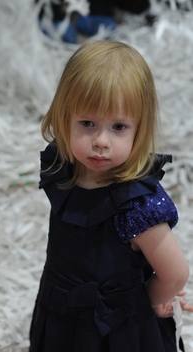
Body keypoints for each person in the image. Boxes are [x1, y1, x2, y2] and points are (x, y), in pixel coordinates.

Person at [29, 40, 190, 351]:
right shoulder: (64, 169)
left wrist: (150, 302)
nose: (100, 141)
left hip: (116, 331)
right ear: (65, 117)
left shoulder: (136, 204)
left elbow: (175, 273)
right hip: (60, 310)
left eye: (118, 126)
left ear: (139, 130)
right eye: (87, 123)